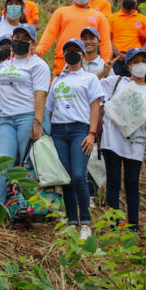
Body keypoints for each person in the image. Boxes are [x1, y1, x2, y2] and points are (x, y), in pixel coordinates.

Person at [47, 39, 103, 239]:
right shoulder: (58, 80)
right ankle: (72, 221)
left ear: (82, 54)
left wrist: (92, 133)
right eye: (67, 50)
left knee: (79, 175)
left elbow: (95, 107)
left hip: (80, 130)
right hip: (59, 131)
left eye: (75, 50)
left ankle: (86, 222)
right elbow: (50, 108)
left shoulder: (90, 79)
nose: (72, 53)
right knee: (67, 177)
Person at [0, 24, 50, 206]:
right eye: (17, 37)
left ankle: (27, 210)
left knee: (27, 166)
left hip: (28, 116)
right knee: (0, 164)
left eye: (25, 39)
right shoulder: (4, 64)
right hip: (7, 119)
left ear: (33, 43)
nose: (20, 41)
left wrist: (38, 123)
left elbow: (40, 94)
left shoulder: (38, 65)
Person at [100, 47, 146, 231]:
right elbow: (92, 84)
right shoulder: (115, 82)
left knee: (132, 183)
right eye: (135, 61)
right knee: (113, 181)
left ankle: (133, 225)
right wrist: (104, 70)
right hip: (112, 138)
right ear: (128, 66)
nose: (140, 64)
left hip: (136, 141)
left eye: (143, 60)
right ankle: (113, 225)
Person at [37, 0, 112, 76]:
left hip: (88, 64)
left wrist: (106, 62)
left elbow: (105, 42)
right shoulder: (61, 12)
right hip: (63, 61)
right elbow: (49, 34)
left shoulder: (99, 16)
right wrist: (39, 51)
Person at [109, 0, 146, 64]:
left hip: (137, 56)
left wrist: (140, 52)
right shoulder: (111, 18)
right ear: (120, 1)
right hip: (117, 57)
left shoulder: (143, 19)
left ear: (136, 2)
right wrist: (118, 54)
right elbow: (108, 39)